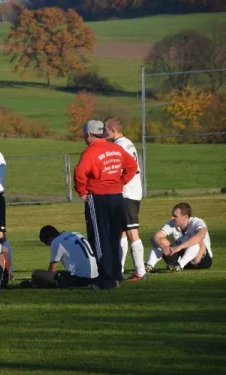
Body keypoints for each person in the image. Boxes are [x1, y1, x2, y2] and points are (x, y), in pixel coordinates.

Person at [74, 120, 137, 290]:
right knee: (114, 237)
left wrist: (81, 191)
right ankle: (116, 274)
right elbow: (132, 166)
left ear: (88, 134)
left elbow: (79, 173)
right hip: (117, 197)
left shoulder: (90, 152)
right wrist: (120, 182)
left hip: (98, 198)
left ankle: (106, 280)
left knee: (99, 239)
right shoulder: (117, 149)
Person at [104, 116, 146, 281]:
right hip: (129, 192)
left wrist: (117, 183)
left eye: (105, 129)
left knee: (131, 232)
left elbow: (128, 168)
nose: (103, 132)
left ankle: (141, 272)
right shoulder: (126, 143)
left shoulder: (120, 147)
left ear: (113, 130)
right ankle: (118, 270)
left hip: (127, 193)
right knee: (120, 232)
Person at [20, 225, 98, 289]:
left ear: (49, 238)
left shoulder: (56, 242)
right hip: (96, 275)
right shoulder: (76, 233)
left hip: (79, 279)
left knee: (36, 273)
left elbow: (52, 271)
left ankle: (34, 285)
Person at [145, 202, 212, 272]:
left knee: (197, 242)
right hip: (181, 258)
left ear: (185, 217)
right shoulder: (172, 223)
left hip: (201, 260)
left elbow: (200, 236)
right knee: (160, 241)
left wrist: (179, 247)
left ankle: (179, 266)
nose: (172, 218)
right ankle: (149, 266)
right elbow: (155, 236)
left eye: (175, 216)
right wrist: (163, 247)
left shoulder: (197, 222)